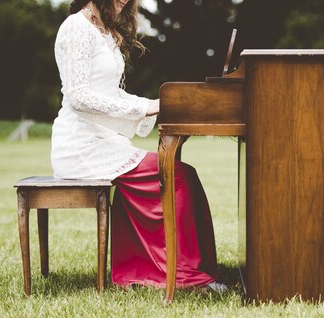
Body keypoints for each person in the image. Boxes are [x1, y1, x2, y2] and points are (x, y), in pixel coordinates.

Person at [52, 0, 226, 292]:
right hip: (81, 145)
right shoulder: (76, 28)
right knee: (179, 177)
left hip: (104, 141)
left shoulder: (104, 31)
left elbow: (112, 94)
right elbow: (78, 97)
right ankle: (182, 275)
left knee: (183, 175)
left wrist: (155, 105)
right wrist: (145, 109)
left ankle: (168, 268)